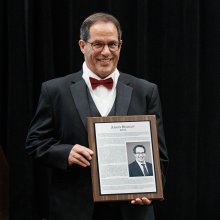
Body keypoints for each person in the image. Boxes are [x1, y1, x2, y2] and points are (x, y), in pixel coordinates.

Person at [25, 12, 169, 220]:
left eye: (112, 44)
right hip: (74, 210)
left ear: (120, 45)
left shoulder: (146, 91)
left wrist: (151, 192)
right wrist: (65, 152)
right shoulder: (55, 90)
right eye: (98, 44)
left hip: (131, 211)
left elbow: (159, 154)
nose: (106, 52)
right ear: (83, 46)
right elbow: (34, 142)